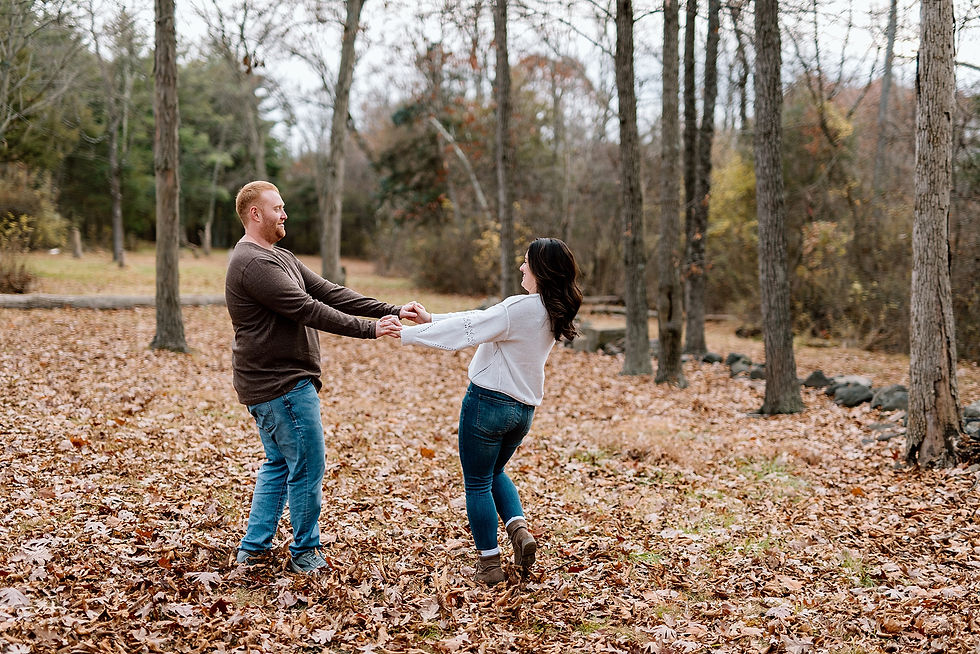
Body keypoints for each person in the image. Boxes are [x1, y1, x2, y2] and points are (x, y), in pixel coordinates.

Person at [226, 180, 422, 574]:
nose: (285, 215)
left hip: (275, 383)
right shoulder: (253, 264)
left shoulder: (280, 256)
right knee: (306, 465)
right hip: (280, 384)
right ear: (255, 214)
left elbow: (331, 293)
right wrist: (370, 330)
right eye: (277, 208)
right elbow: (308, 308)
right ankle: (305, 552)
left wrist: (392, 308)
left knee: (280, 463)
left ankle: (254, 547)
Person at [398, 238, 582, 585]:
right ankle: (519, 531)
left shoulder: (519, 308)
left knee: (477, 482)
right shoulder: (553, 310)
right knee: (494, 472)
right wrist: (432, 318)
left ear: (541, 270)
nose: (521, 267)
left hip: (487, 405)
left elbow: (470, 330)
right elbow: (480, 320)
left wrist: (410, 334)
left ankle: (489, 566)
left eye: (526, 262)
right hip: (523, 411)